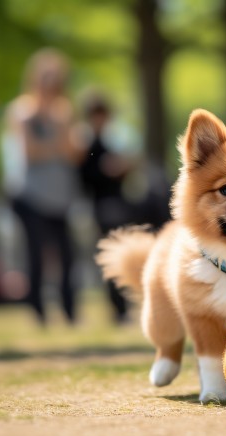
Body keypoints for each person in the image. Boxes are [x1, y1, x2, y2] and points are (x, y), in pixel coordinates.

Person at [4, 49, 82, 326]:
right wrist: (58, 144)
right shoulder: (22, 111)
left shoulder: (65, 112)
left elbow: (74, 153)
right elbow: (30, 152)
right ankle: (38, 310)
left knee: (67, 256)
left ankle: (70, 310)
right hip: (30, 195)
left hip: (61, 197)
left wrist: (60, 136)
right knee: (35, 255)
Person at [78, 92, 133, 324]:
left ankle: (123, 305)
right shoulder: (87, 146)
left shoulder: (114, 142)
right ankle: (117, 307)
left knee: (121, 253)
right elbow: (85, 176)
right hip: (100, 206)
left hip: (118, 203)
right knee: (110, 256)